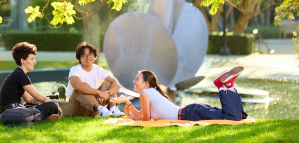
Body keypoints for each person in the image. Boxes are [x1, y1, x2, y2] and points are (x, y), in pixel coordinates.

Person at [111, 66, 248, 121]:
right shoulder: (150, 92)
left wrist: (132, 118)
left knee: (231, 118)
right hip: (193, 110)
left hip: (190, 113)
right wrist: (127, 103)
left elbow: (145, 119)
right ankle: (229, 86)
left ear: (146, 83)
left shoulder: (145, 93)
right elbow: (144, 115)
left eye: (137, 79)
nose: (134, 81)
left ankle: (222, 86)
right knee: (240, 116)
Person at [0, 42, 62, 121]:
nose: (34, 62)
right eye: (32, 59)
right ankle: (39, 117)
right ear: (22, 60)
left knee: (33, 105)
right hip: (10, 113)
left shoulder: (18, 74)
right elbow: (38, 96)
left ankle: (38, 117)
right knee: (51, 105)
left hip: (8, 111)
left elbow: (29, 99)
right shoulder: (20, 75)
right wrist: (55, 104)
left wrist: (43, 103)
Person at [67, 41, 123, 117]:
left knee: (109, 83)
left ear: (95, 56)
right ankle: (102, 109)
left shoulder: (98, 69)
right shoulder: (75, 70)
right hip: (77, 108)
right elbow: (77, 86)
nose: (88, 57)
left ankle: (113, 109)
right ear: (79, 57)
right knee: (82, 86)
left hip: (92, 108)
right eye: (84, 55)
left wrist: (107, 93)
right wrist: (98, 92)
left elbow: (116, 84)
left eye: (91, 55)